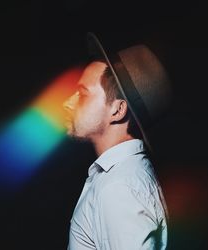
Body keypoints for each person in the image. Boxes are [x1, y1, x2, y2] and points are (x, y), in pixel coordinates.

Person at [63, 32, 172, 250]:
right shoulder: (120, 177)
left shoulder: (118, 187)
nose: (68, 103)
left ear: (118, 109)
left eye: (83, 94)